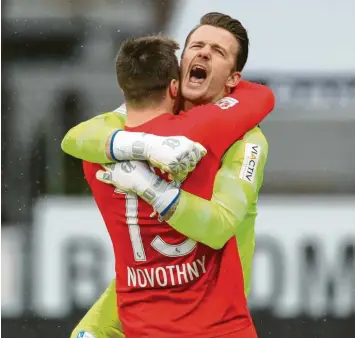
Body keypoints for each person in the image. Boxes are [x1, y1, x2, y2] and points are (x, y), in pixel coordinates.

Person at [63, 13, 272, 338]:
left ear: (233, 80)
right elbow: (77, 137)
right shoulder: (154, 110)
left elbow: (219, 226)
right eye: (196, 45)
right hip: (148, 295)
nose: (203, 52)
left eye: (218, 51)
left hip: (213, 316)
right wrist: (144, 144)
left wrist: (150, 186)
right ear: (180, 62)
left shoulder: (246, 138)